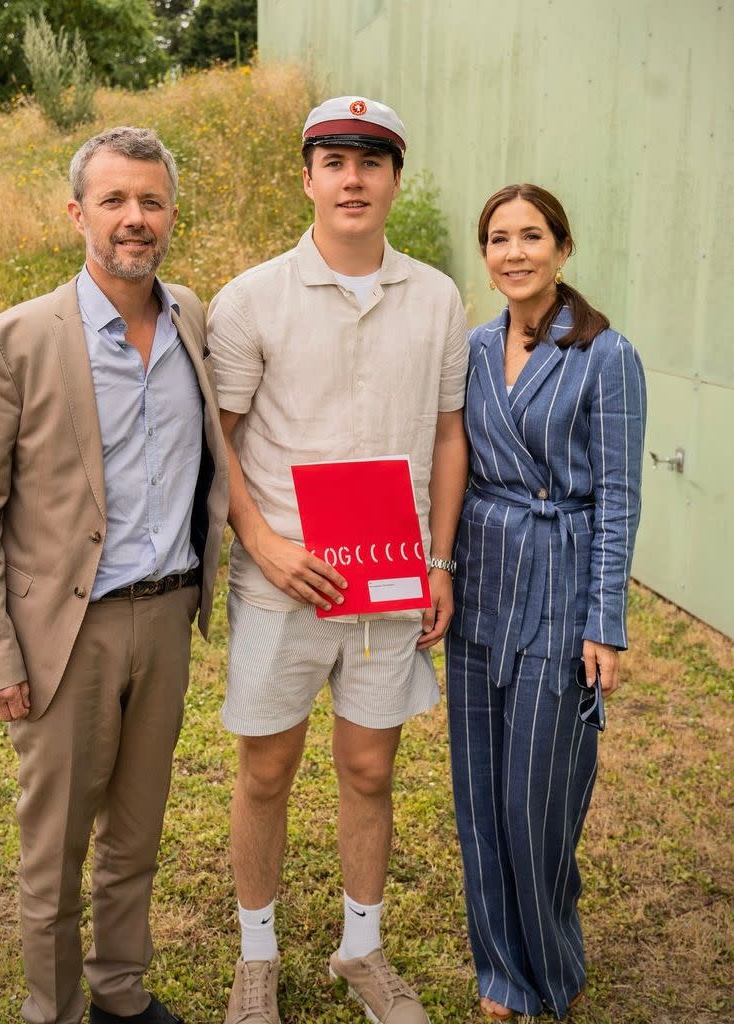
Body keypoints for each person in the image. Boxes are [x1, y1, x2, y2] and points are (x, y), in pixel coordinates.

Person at [0, 126, 228, 1024]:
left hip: (168, 616)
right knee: (54, 850)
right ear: (78, 214)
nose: (134, 219)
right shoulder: (14, 342)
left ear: (172, 213)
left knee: (137, 837)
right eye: (114, 201)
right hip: (67, 635)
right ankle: (55, 1010)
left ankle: (119, 993)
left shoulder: (191, 317)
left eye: (150, 201)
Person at [207, 96, 469, 1024]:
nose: (352, 178)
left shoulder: (437, 295)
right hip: (287, 581)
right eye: (334, 161)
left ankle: (362, 952)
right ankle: (257, 959)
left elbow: (447, 435)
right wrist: (265, 543)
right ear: (307, 178)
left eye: (371, 160)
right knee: (267, 774)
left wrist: (438, 561)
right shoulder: (251, 298)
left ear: (397, 178)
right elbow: (220, 441)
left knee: (369, 770)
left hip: (391, 578)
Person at [446, 183, 647, 1020]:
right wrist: (437, 568)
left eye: (532, 236)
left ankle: (550, 970)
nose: (514, 252)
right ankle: (500, 972)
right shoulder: (470, 348)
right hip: (479, 578)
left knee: (539, 799)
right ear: (485, 256)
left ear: (563, 249)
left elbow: (618, 496)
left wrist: (605, 621)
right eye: (499, 238)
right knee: (478, 793)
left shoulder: (607, 355)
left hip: (560, 587)